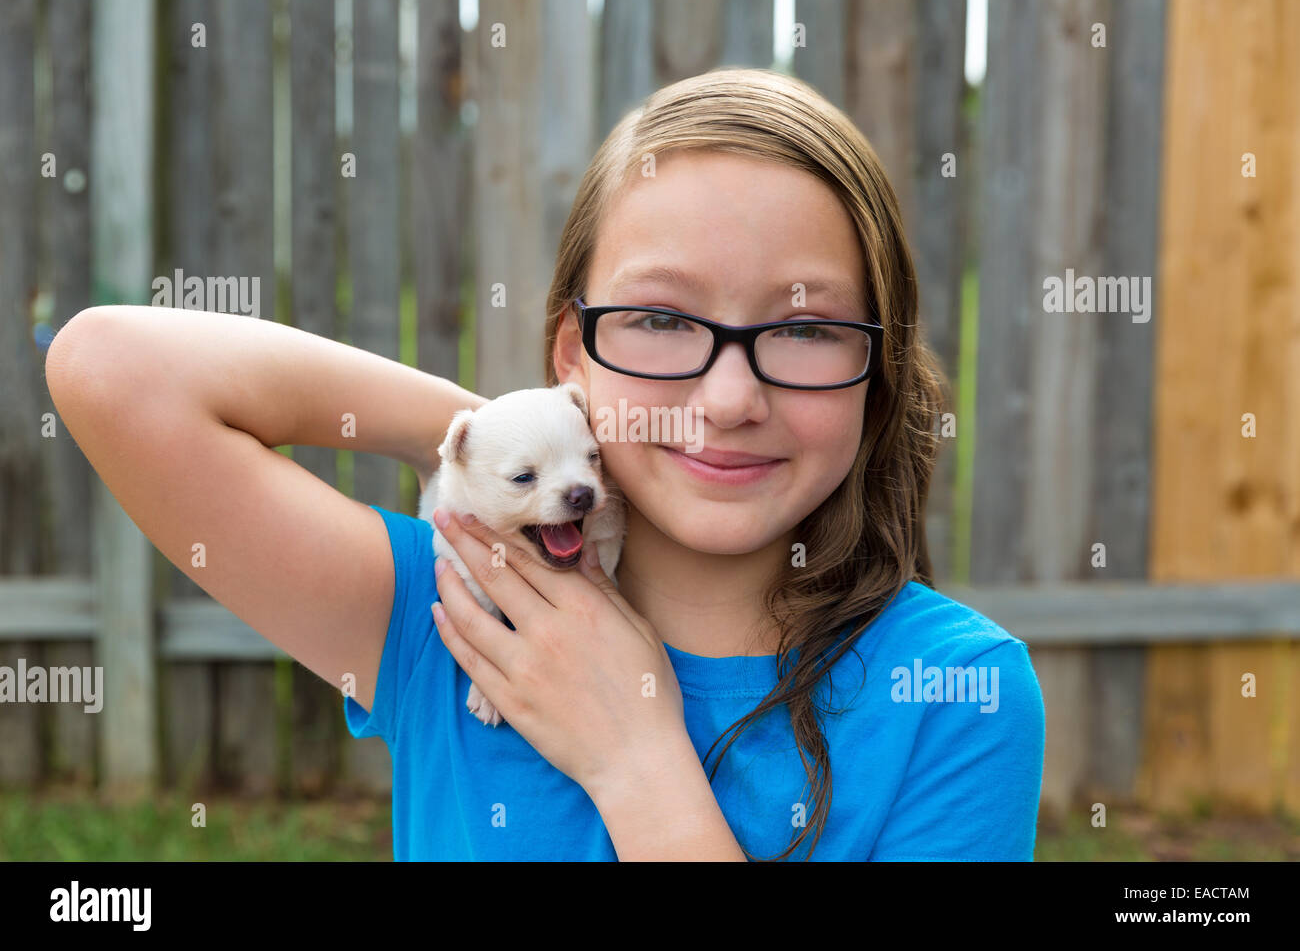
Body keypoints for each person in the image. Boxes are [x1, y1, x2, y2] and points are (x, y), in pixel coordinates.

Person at [46, 67, 1044, 861]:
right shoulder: (449, 613)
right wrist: (521, 442)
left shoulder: (954, 692)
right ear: (574, 353)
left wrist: (637, 761)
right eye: (657, 318)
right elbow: (114, 371)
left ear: (875, 363)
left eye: (806, 327)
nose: (731, 398)